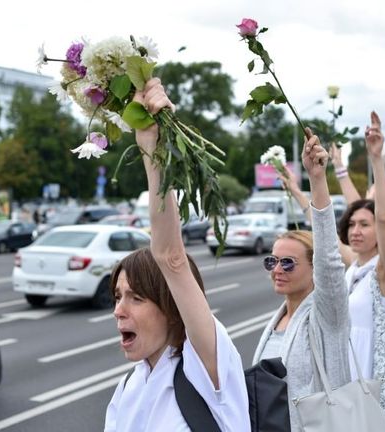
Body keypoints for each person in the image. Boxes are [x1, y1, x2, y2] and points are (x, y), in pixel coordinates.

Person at [104, 79, 249, 431]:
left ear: (171, 308)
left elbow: (170, 256)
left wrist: (151, 146)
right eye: (118, 296)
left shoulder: (206, 367)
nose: (118, 310)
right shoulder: (127, 389)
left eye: (136, 297)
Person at [253, 128, 361, 431]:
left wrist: (317, 180)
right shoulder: (276, 320)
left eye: (288, 262)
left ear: (313, 269)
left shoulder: (328, 315)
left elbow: (328, 259)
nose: (277, 269)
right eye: (272, 261)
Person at [337, 112, 385, 431]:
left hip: (376, 384)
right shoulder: (354, 268)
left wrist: (377, 160)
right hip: (347, 383)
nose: (356, 230)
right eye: (351, 225)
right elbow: (327, 225)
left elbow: (383, 219)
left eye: (364, 225)